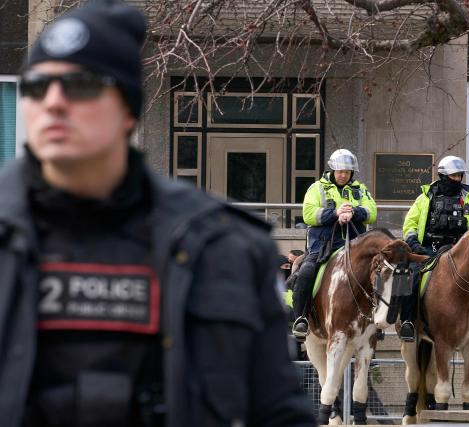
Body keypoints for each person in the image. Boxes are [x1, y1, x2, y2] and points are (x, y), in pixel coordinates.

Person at [3, 1, 315, 426]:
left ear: (128, 109)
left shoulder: (222, 244)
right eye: (38, 86)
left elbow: (278, 412)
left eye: (81, 85)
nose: (54, 102)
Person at [399, 155, 469, 341]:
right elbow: (410, 224)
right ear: (443, 176)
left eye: (460, 176)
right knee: (411, 274)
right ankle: (407, 321)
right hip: (428, 249)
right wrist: (414, 243)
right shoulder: (425, 198)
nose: (457, 179)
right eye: (454, 176)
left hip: (459, 252)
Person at [291, 149, 377, 340]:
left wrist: (354, 211)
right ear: (333, 170)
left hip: (354, 245)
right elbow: (308, 214)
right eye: (340, 171)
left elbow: (372, 212)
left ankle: (375, 321)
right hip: (322, 246)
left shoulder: (360, 189)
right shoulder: (316, 188)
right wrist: (335, 213)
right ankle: (300, 319)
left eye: (347, 172)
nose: (343, 175)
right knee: (305, 273)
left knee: (379, 273)